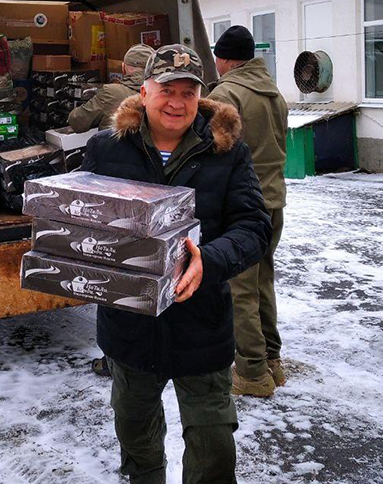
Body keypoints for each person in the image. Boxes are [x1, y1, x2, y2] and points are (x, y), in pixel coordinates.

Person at [81, 44, 271, 484]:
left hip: (200, 327)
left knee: (213, 449)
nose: (177, 102)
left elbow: (254, 226)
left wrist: (213, 261)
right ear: (144, 91)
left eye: (189, 92)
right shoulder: (108, 149)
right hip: (130, 327)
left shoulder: (227, 153)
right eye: (167, 89)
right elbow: (83, 217)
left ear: (201, 96)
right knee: (137, 440)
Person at [207, 25, 288, 398]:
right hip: (273, 202)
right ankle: (272, 359)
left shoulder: (225, 94)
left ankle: (252, 373)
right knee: (262, 281)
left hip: (241, 208)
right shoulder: (274, 93)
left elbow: (215, 154)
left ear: (223, 58)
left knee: (239, 289)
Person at [67, 44, 155, 133]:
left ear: (123, 68)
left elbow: (77, 122)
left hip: (116, 146)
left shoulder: (111, 92)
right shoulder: (162, 94)